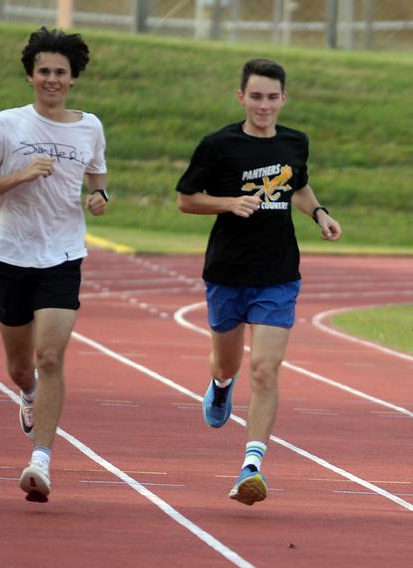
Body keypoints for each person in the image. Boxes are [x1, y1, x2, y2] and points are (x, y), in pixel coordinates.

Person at [176, 58, 341, 506]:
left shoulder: (294, 143)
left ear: (284, 99)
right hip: (228, 272)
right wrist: (229, 203)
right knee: (226, 365)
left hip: (278, 273)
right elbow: (187, 200)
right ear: (241, 97)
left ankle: (252, 464)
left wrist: (320, 213)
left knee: (265, 369)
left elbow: (298, 187)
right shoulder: (218, 146)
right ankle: (221, 388)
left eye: (272, 97)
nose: (264, 105)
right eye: (255, 96)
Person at [0, 27, 109, 503]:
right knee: (22, 367)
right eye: (43, 71)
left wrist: (100, 194)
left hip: (62, 254)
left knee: (50, 357)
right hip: (9, 252)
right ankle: (28, 394)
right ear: (30, 75)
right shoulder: (5, 125)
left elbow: (98, 171)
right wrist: (20, 174)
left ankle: (40, 460)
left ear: (72, 78)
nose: (52, 79)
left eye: (60, 73)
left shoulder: (90, 126)